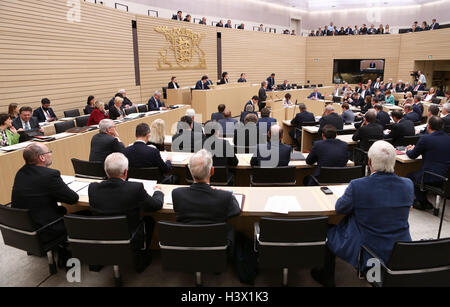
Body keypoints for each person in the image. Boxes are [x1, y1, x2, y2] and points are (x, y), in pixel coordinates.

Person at [312, 140, 413, 287]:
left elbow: (340, 208)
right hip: (400, 249)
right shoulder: (408, 185)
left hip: (368, 250)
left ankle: (326, 278)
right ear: (394, 162)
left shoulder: (357, 185)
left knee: (329, 230)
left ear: (370, 162)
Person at [88, 152, 163, 272]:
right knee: (149, 220)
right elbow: (156, 205)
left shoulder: (93, 188)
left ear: (106, 171)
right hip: (129, 238)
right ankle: (140, 256)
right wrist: (158, 192)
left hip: (102, 236)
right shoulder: (135, 188)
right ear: (125, 172)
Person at [12, 143, 79, 243]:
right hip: (46, 228)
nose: (51, 154)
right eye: (49, 152)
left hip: (26, 229)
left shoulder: (20, 173)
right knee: (86, 216)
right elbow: (73, 199)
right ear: (42, 157)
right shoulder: (50, 175)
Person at [172, 150, 241, 245]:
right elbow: (236, 211)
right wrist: (224, 193)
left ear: (189, 170)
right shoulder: (225, 197)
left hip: (187, 245)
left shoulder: (177, 194)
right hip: (216, 248)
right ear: (212, 171)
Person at [406, 116, 450, 210]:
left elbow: (412, 155)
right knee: (419, 173)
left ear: (428, 126)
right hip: (445, 176)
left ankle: (422, 201)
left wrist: (408, 150)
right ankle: (423, 200)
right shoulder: (448, 138)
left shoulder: (426, 139)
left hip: (430, 175)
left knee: (410, 176)